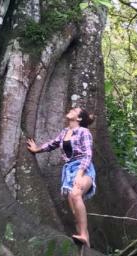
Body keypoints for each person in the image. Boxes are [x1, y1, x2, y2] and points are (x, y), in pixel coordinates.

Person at [27, 106, 96, 247]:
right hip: (69, 171)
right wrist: (36, 149)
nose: (71, 109)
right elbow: (53, 144)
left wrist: (80, 174)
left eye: (75, 110)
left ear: (79, 118)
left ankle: (83, 235)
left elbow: (88, 154)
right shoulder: (65, 132)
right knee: (75, 214)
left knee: (76, 194)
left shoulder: (84, 132)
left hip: (83, 168)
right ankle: (87, 249)